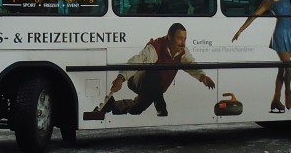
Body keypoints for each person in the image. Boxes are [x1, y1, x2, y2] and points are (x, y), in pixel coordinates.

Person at [83, 23, 215, 119]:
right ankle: (160, 105)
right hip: (138, 79)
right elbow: (137, 60)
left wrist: (202, 76)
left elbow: (191, 64)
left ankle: (111, 105)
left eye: (185, 38)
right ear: (169, 37)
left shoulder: (183, 52)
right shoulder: (155, 48)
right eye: (179, 38)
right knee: (154, 72)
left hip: (155, 89)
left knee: (137, 109)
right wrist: (121, 78)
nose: (183, 42)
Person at [231, 0, 291, 114]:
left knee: (282, 69)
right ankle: (288, 91)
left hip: (289, 32)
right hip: (279, 34)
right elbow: (253, 16)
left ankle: (276, 100)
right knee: (288, 66)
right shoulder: (268, 2)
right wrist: (240, 30)